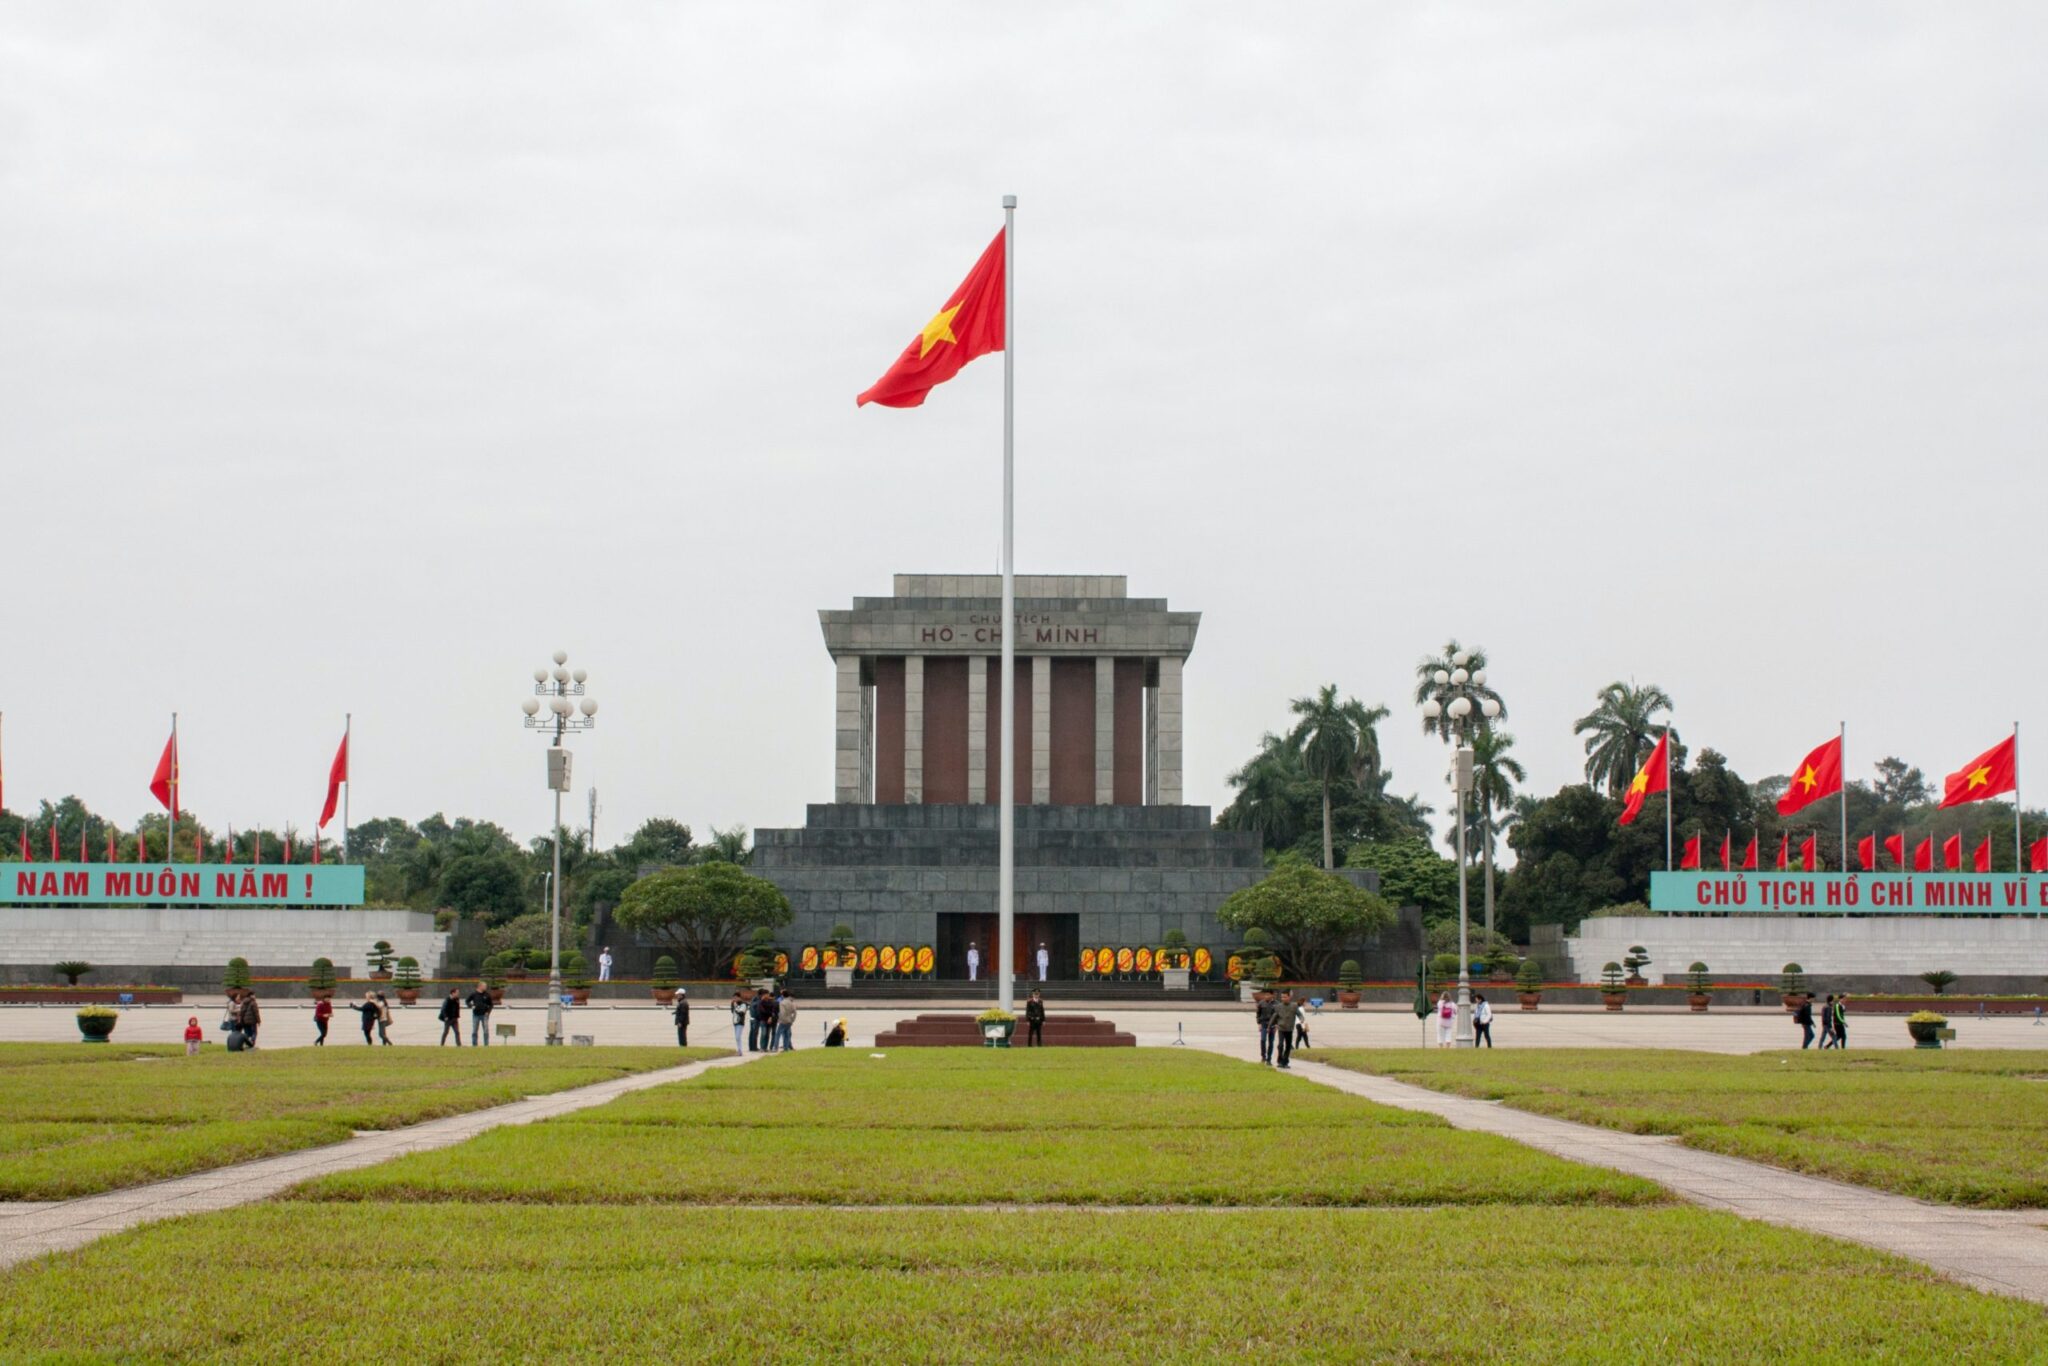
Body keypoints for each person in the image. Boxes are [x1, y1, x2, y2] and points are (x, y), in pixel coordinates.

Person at [1271, 990, 1298, 1069]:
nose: (1283, 998)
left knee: (1288, 1046)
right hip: (1281, 1028)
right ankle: (1280, 1060)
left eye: (1285, 997)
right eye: (1282, 997)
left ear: (1289, 997)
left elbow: (1299, 1014)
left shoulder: (1294, 1006)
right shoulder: (1278, 1006)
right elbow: (1274, 1017)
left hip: (1289, 1029)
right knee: (1280, 1045)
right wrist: (1272, 1025)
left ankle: (1285, 1062)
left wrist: (1302, 1019)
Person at [466, 979, 494, 1047]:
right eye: (484, 986)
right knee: (475, 1030)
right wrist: (471, 1006)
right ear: (480, 986)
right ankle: (474, 1044)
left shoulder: (487, 995)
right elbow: (467, 1001)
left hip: (484, 1015)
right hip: (476, 1014)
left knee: (486, 1030)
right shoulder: (474, 994)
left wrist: (488, 1012)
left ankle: (486, 1044)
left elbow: (491, 1005)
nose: (485, 988)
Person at [1255, 989, 1277, 1065]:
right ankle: (1263, 1056)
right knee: (1263, 1040)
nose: (1266, 996)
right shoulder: (1261, 1003)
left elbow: (1278, 1016)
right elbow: (1258, 1014)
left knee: (1271, 1042)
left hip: (1273, 1025)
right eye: (1265, 995)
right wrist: (1259, 1024)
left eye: (1268, 995)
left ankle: (1269, 1059)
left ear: (1272, 995)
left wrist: (1276, 1026)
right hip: (1263, 1024)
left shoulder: (1277, 1004)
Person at [729, 989, 748, 1055]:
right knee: (737, 1038)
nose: (734, 999)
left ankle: (740, 1050)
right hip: (735, 1022)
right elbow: (732, 1012)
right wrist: (732, 1005)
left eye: (736, 998)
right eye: (734, 998)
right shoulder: (734, 1003)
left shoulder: (744, 1004)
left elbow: (741, 1013)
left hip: (740, 1022)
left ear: (739, 997)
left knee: (738, 1036)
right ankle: (739, 1050)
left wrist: (736, 1006)